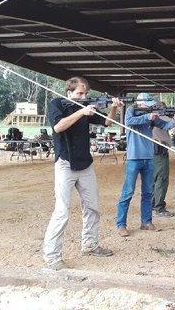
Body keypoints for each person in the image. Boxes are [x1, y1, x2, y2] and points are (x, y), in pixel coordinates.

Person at [43, 77, 122, 271]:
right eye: (79, 93)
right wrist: (81, 112)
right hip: (65, 164)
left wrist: (114, 107)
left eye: (85, 94)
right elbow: (58, 127)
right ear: (69, 93)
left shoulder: (87, 107)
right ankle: (52, 257)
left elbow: (107, 122)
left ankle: (90, 245)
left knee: (93, 207)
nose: (83, 97)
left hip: (85, 165)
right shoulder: (56, 104)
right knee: (61, 212)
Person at [116, 93, 175, 237]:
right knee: (128, 192)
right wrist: (147, 117)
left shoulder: (151, 117)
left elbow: (165, 125)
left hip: (148, 158)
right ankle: (121, 224)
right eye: (147, 106)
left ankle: (146, 221)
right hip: (133, 158)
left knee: (148, 192)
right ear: (140, 104)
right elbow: (129, 121)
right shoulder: (131, 110)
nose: (149, 109)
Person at [152, 102, 175, 217]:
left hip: (155, 151)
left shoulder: (154, 117)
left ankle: (154, 204)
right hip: (159, 151)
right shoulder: (159, 117)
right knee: (162, 179)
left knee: (155, 179)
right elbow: (171, 124)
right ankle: (159, 207)